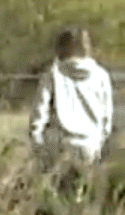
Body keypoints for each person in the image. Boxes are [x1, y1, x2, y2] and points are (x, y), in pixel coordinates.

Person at [30, 25, 113, 179]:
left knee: (57, 197)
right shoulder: (102, 76)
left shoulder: (53, 74)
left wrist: (39, 147)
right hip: (91, 144)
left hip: (61, 145)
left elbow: (39, 114)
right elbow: (106, 118)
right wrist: (99, 142)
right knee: (83, 195)